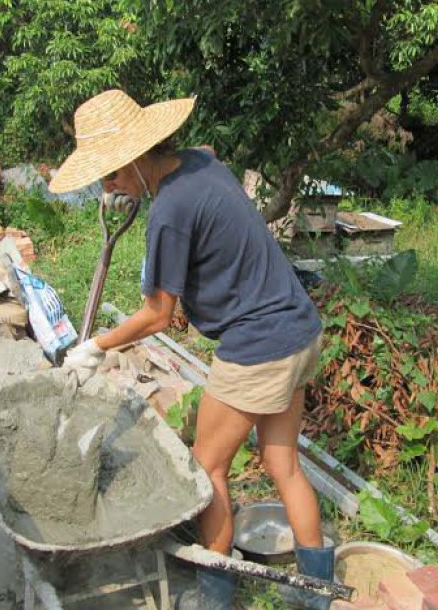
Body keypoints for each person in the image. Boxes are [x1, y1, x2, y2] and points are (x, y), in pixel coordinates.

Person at [54, 90, 353, 610]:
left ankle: (217, 596)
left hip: (258, 346)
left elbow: (158, 315)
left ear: (136, 158)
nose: (108, 186)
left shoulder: (168, 213)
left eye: (111, 174)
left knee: (205, 470)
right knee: (282, 463)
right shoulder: (197, 163)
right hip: (301, 329)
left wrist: (95, 347)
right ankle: (319, 595)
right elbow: (211, 151)